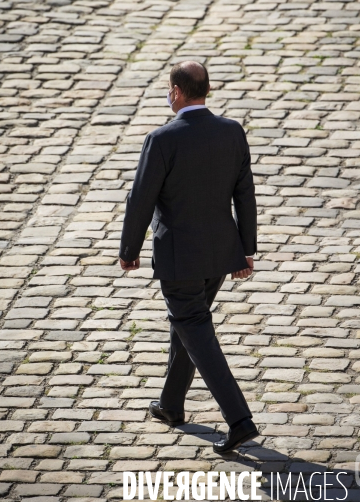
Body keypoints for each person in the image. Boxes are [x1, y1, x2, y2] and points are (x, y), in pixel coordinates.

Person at [119, 61, 258, 454]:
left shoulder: (161, 139)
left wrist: (129, 250)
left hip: (180, 259)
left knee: (196, 330)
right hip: (219, 255)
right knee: (188, 326)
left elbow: (140, 199)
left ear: (177, 92)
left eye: (168, 88)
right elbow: (244, 194)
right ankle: (171, 405)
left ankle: (239, 420)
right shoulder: (231, 131)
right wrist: (245, 250)